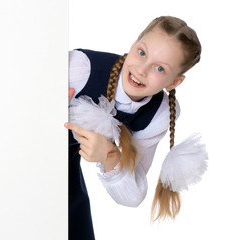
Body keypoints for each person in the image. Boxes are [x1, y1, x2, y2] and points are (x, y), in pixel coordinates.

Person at [65, 16, 207, 240]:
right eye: (142, 53)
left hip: (64, 182)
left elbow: (132, 196)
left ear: (174, 82)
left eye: (159, 68)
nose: (142, 70)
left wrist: (110, 155)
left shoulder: (158, 114)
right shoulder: (80, 68)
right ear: (133, 46)